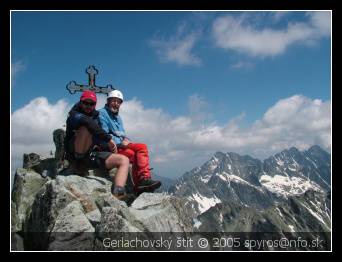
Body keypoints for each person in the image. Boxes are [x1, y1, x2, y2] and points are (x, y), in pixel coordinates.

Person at [64, 90, 130, 200]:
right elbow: (88, 123)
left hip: (91, 156)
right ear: (80, 102)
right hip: (75, 156)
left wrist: (111, 146)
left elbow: (99, 137)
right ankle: (78, 164)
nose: (89, 106)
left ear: (95, 104)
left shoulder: (96, 116)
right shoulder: (74, 115)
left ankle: (118, 192)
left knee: (124, 160)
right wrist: (109, 139)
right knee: (85, 128)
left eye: (92, 104)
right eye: (86, 103)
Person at [98, 90, 161, 194]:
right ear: (108, 101)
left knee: (133, 154)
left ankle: (139, 186)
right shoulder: (102, 114)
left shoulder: (118, 118)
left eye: (118, 102)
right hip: (110, 147)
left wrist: (125, 141)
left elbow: (121, 134)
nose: (116, 104)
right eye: (113, 101)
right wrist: (120, 143)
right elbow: (104, 135)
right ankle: (144, 178)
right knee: (142, 147)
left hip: (121, 146)